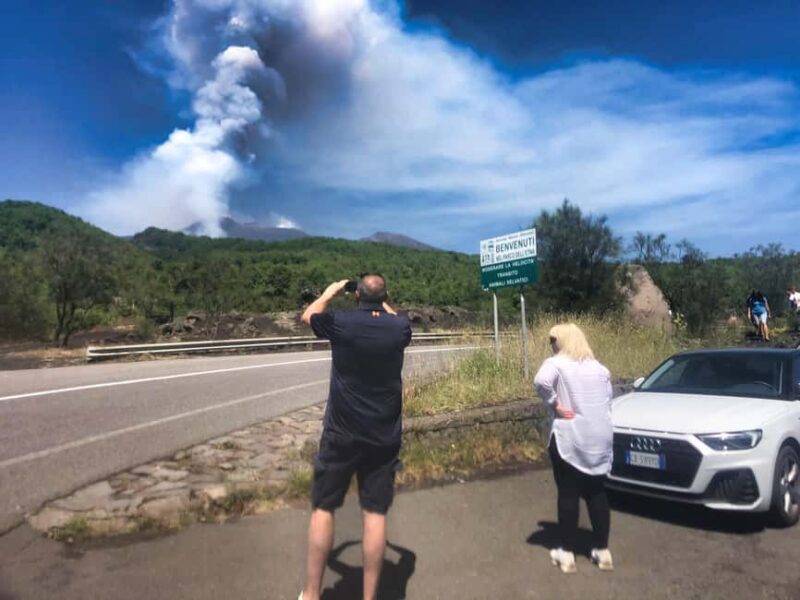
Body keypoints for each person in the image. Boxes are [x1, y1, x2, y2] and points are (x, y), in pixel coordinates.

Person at [298, 274, 412, 600]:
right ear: (386, 297)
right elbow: (392, 316)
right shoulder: (399, 327)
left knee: (323, 508)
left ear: (357, 296)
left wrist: (331, 291)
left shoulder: (341, 322)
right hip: (384, 436)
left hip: (341, 434)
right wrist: (379, 299)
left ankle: (311, 594)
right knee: (374, 514)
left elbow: (308, 316)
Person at [534, 323, 614, 573]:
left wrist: (555, 405)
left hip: (570, 435)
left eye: (553, 339)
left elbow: (541, 381)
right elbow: (606, 401)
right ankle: (602, 551)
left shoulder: (556, 363)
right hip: (600, 437)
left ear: (564, 341)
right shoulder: (600, 369)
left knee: (568, 492)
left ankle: (566, 553)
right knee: (596, 492)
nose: (551, 344)